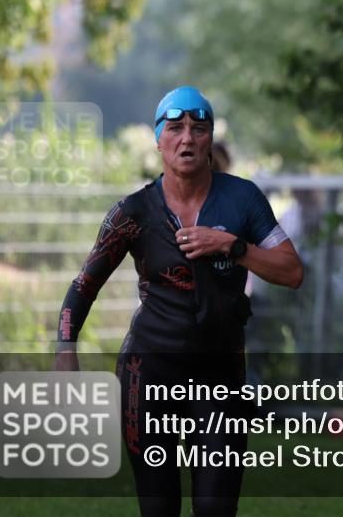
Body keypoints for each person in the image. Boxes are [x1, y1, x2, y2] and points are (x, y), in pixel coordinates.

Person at [54, 86, 304, 517]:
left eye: (198, 128)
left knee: (216, 508)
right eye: (175, 129)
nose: (187, 138)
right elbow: (83, 285)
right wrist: (64, 351)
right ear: (159, 139)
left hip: (220, 377)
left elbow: (292, 271)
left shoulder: (242, 199)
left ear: (210, 140)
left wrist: (233, 245)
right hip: (148, 375)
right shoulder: (132, 213)